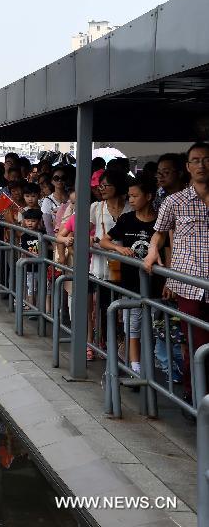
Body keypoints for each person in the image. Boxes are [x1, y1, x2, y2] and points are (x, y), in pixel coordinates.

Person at [144, 142, 209, 405]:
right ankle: (196, 396)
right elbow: (159, 233)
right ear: (188, 167)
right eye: (195, 160)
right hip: (189, 284)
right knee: (197, 344)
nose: (201, 165)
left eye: (206, 159)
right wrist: (151, 253)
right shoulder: (175, 201)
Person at [100, 176, 159, 376]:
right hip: (130, 282)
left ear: (149, 196)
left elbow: (166, 250)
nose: (131, 200)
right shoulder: (126, 220)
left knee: (152, 326)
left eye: (135, 196)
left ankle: (149, 365)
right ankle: (136, 368)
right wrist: (119, 248)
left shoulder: (159, 221)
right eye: (129, 196)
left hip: (154, 284)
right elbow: (104, 241)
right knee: (132, 326)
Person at [88, 169, 133, 360]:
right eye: (100, 185)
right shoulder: (96, 207)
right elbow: (86, 230)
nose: (102, 188)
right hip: (101, 266)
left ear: (118, 187)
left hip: (128, 265)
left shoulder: (131, 207)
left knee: (126, 312)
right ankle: (109, 346)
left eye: (106, 185)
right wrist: (91, 239)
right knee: (106, 308)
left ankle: (125, 350)